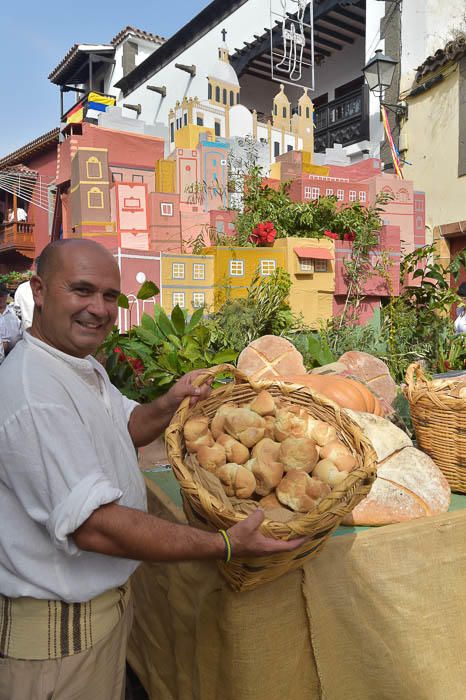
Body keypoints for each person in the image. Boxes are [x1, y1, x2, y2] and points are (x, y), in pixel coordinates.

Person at [0, 238, 304, 700]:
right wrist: (222, 544)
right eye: (81, 291)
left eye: (108, 296)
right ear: (39, 290)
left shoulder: (77, 365)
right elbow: (96, 528)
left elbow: (126, 425)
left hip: (94, 620)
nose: (98, 309)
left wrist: (171, 400)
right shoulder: (35, 393)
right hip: (58, 642)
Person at [0, 284, 21, 359]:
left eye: (2, 295)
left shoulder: (14, 311)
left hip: (16, 354)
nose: (1, 298)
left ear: (7, 295)